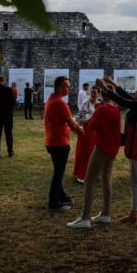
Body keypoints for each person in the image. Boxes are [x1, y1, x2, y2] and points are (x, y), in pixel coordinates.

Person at [101, 78, 137, 226]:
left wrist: (108, 90)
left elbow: (125, 102)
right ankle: (134, 213)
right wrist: (115, 85)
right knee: (134, 182)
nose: (135, 91)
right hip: (135, 146)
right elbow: (128, 98)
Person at [67, 86, 121, 228]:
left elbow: (92, 124)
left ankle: (85, 218)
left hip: (102, 147)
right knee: (106, 180)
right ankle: (105, 213)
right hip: (112, 148)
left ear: (102, 94)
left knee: (89, 180)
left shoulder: (102, 108)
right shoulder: (115, 108)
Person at [44, 76, 84, 211]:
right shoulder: (60, 103)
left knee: (58, 171)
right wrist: (81, 130)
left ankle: (62, 197)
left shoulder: (51, 99)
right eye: (67, 86)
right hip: (59, 143)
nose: (69, 88)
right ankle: (53, 203)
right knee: (58, 174)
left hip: (51, 141)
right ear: (60, 87)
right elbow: (72, 124)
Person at [72, 86, 99, 184]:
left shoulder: (99, 105)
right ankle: (82, 174)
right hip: (86, 130)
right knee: (84, 151)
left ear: (98, 94)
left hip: (95, 131)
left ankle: (93, 173)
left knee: (93, 152)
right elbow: (81, 116)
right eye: (92, 92)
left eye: (95, 92)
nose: (93, 94)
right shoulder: (86, 103)